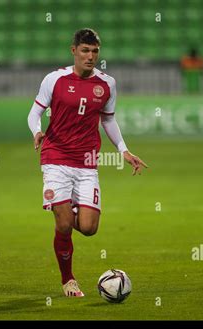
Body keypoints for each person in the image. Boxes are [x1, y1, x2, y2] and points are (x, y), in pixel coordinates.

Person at [27, 28, 148, 297]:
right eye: (85, 50)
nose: (90, 56)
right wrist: (37, 131)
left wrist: (124, 150)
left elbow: (108, 119)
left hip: (87, 163)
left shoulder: (107, 84)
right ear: (74, 51)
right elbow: (35, 113)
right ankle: (68, 279)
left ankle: (67, 207)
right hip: (56, 157)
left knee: (90, 228)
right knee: (63, 224)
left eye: (95, 51)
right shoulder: (55, 79)